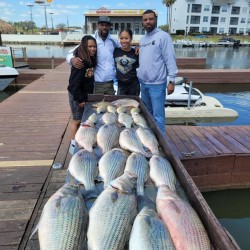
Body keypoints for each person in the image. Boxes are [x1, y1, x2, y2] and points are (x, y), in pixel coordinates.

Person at [137, 9, 178, 133]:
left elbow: (170, 58)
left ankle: (161, 145)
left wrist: (172, 80)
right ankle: (150, 139)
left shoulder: (163, 36)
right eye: (145, 20)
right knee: (147, 115)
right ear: (142, 22)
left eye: (150, 19)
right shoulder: (143, 39)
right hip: (144, 84)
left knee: (158, 116)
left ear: (155, 20)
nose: (148, 22)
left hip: (157, 85)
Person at [66, 16, 120, 95]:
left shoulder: (113, 41)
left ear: (110, 26)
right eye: (102, 25)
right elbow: (71, 52)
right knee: (96, 106)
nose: (104, 27)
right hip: (96, 83)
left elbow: (125, 48)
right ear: (98, 26)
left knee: (109, 105)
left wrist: (136, 48)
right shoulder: (91, 40)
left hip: (110, 83)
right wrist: (71, 59)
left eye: (107, 25)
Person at [67, 35, 97, 155]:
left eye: (94, 46)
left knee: (82, 119)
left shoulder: (90, 59)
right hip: (76, 95)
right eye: (89, 46)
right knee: (76, 120)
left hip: (85, 95)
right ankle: (73, 146)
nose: (93, 49)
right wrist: (80, 99)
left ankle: (81, 141)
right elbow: (73, 84)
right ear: (84, 46)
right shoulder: (80, 62)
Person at [113, 28, 140, 96]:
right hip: (121, 85)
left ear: (131, 38)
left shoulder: (136, 52)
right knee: (121, 105)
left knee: (133, 106)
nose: (124, 41)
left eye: (126, 38)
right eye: (121, 38)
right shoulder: (115, 51)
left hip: (133, 85)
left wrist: (138, 47)